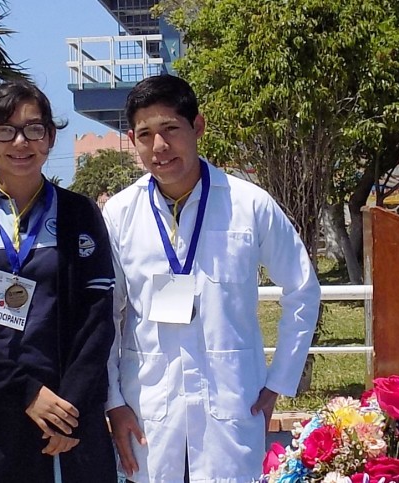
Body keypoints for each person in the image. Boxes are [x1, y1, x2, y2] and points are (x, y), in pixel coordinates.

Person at [103, 74, 321, 483]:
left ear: (197, 127)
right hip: (149, 411)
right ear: (133, 140)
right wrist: (114, 401)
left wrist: (279, 381)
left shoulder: (248, 204)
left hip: (232, 406)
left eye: (170, 129)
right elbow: (105, 315)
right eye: (146, 134)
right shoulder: (119, 214)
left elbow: (302, 289)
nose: (160, 147)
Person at [0, 80, 118, 483]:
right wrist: (27, 394)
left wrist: (70, 409)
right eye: (5, 130)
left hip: (67, 416)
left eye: (34, 129)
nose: (20, 141)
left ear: (49, 137)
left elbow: (96, 318)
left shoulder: (79, 213)